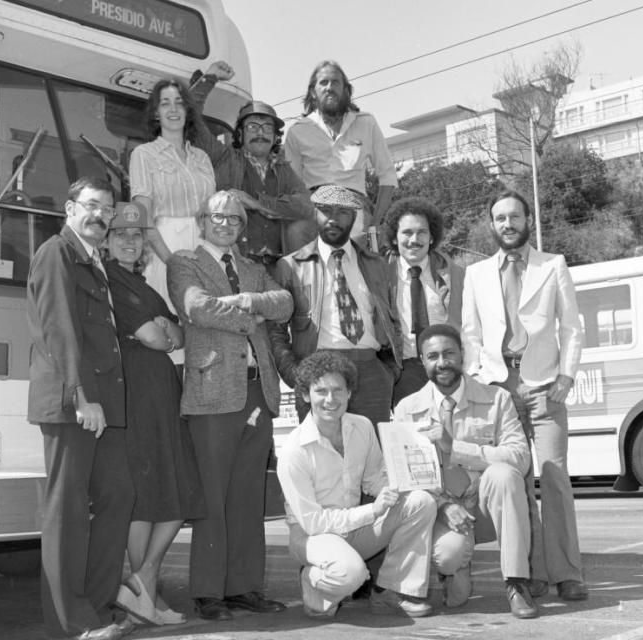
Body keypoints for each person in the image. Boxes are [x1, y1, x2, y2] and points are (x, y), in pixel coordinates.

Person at [166, 191, 293, 621]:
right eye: (217, 217)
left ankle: (244, 587)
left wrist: (249, 302)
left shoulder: (254, 270)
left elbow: (285, 302)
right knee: (213, 498)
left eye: (235, 220)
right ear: (202, 221)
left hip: (258, 391)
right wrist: (249, 319)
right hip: (212, 392)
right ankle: (208, 592)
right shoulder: (184, 262)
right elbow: (196, 307)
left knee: (246, 497)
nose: (226, 225)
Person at [461, 189, 588, 601]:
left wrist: (566, 377)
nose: (508, 224)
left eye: (515, 217)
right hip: (499, 390)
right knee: (515, 484)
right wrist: (479, 379)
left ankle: (568, 573)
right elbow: (470, 335)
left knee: (554, 479)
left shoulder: (553, 265)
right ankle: (532, 572)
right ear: (492, 225)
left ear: (528, 221)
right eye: (500, 218)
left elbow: (571, 327)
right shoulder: (476, 274)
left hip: (545, 388)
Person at [27, 177, 134, 640]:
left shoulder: (94, 261)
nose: (100, 215)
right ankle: (72, 625)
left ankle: (97, 607)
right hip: (76, 405)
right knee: (67, 511)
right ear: (70, 208)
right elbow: (59, 329)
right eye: (91, 206)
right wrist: (80, 397)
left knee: (118, 496)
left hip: (101, 406)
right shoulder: (56, 252)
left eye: (107, 209)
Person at [101, 201, 206, 627]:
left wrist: (163, 328)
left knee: (167, 491)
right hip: (139, 395)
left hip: (160, 394)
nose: (130, 240)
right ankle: (144, 586)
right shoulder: (111, 279)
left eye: (137, 234)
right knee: (152, 495)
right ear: (106, 242)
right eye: (121, 234)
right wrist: (161, 328)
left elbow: (177, 335)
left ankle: (144, 587)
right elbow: (156, 337)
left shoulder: (142, 284)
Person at [276, 350, 436, 619]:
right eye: (321, 391)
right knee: (351, 574)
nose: (330, 399)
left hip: (354, 531)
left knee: (421, 501)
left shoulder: (361, 426)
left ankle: (391, 591)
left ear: (349, 393)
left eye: (338, 390)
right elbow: (313, 523)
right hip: (312, 537)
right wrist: (372, 511)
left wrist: (403, 484)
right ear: (305, 395)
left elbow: (375, 479)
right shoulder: (294, 452)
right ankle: (314, 582)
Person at [393, 324, 537, 619]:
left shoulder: (497, 399)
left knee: (505, 475)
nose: (442, 362)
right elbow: (403, 476)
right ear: (422, 360)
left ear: (463, 355)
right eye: (432, 356)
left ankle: (516, 583)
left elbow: (520, 457)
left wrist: (454, 447)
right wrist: (444, 505)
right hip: (443, 512)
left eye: (449, 353)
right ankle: (453, 571)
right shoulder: (407, 409)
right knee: (449, 558)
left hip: (484, 507)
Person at [268, 184, 402, 429]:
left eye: (342, 212)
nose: (333, 219)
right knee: (323, 459)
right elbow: (275, 331)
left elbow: (393, 320)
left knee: (371, 459)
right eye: (325, 211)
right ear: (314, 214)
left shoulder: (376, 265)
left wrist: (389, 370)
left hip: (371, 372)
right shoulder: (290, 267)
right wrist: (296, 376)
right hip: (317, 373)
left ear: (354, 217)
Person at [187, 61, 316, 266]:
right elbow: (188, 118)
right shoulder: (224, 157)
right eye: (253, 126)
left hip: (277, 266)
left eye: (267, 127)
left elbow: (306, 205)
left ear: (275, 137)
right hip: (236, 263)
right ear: (240, 133)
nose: (260, 132)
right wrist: (209, 78)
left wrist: (256, 202)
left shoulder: (283, 169)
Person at [129, 77, 216, 328]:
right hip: (164, 248)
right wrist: (171, 260)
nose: (173, 109)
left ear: (188, 110)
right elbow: (142, 215)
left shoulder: (202, 158)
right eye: (165, 103)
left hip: (203, 249)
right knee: (171, 326)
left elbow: (212, 210)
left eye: (179, 103)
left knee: (204, 332)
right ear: (156, 112)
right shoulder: (143, 155)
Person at [284, 60, 398, 246]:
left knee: (355, 241)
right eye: (323, 82)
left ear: (346, 90)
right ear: (313, 91)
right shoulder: (298, 131)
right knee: (295, 233)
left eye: (335, 82)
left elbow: (388, 176)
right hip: (314, 204)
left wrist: (376, 222)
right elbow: (293, 185)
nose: (329, 87)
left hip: (353, 202)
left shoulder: (366, 123)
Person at [384, 197, 464, 407]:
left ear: (431, 237)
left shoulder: (455, 275)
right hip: (404, 373)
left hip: (447, 367)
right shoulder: (379, 276)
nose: (414, 239)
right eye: (407, 232)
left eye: (421, 232)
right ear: (394, 237)